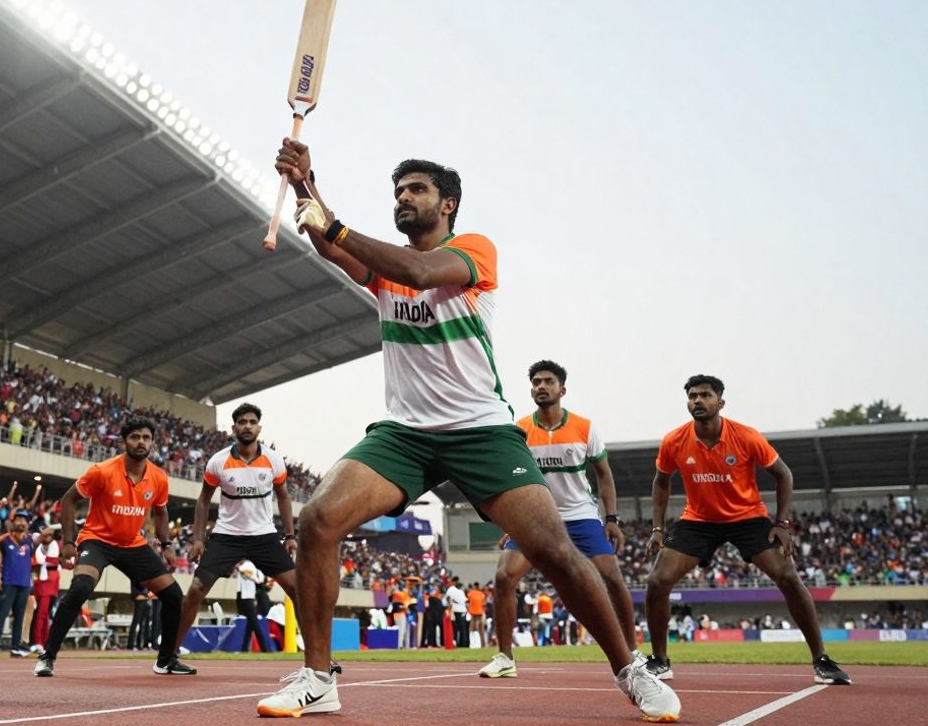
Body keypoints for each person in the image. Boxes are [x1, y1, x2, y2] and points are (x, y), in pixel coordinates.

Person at [255, 140, 678, 722]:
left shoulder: (471, 251)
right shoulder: (383, 269)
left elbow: (417, 269)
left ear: (447, 203)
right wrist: (305, 183)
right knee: (317, 521)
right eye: (398, 192)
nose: (404, 199)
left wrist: (335, 223)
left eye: (416, 190)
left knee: (554, 552)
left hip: (480, 430)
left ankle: (631, 671)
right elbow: (331, 245)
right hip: (403, 433)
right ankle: (319, 678)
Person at [644, 375, 850, 686]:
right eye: (692, 396)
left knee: (788, 577)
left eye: (705, 395)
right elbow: (661, 482)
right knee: (657, 581)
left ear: (720, 402)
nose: (697, 401)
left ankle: (821, 659)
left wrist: (781, 524)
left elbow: (783, 474)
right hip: (698, 520)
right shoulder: (674, 440)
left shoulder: (746, 436)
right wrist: (658, 528)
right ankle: (660, 661)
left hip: (748, 518)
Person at [481, 360, 640, 678]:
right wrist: (509, 521)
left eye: (548, 381)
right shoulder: (519, 429)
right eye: (536, 381)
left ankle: (634, 653)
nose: (541, 386)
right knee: (503, 576)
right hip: (534, 517)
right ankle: (505, 658)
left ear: (562, 389)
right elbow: (507, 478)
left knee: (612, 577)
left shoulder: (585, 427)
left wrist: (611, 518)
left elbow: (604, 474)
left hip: (580, 515)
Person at [32, 418, 194, 677]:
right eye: (134, 437)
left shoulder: (158, 477)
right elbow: (69, 499)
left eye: (145, 437)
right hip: (97, 540)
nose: (140, 442)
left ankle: (166, 660)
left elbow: (161, 513)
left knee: (173, 595)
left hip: (133, 543)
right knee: (81, 588)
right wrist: (68, 542)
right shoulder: (102, 471)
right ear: (124, 441)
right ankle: (47, 656)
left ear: (152, 442)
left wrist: (166, 545)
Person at [174, 403, 299, 654]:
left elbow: (283, 496)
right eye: (242, 422)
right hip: (227, 536)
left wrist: (289, 535)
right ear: (234, 428)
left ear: (259, 428)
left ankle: (318, 659)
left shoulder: (273, 460)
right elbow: (203, 500)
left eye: (252, 422)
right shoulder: (218, 461)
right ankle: (170, 652)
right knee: (196, 589)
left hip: (264, 535)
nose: (247, 426)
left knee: (298, 589)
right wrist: (198, 539)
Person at [0, 513, 35, 658]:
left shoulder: (29, 541)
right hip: (8, 583)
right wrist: (6, 533)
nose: (21, 522)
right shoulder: (6, 540)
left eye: (24, 520)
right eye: (18, 520)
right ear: (13, 523)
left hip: (24, 584)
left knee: (19, 617)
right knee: (1, 615)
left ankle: (15, 648)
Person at [235, 560, 270, 652]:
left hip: (247, 597)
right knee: (253, 623)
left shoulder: (250, 566)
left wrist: (254, 577)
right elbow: (242, 570)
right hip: (246, 597)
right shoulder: (250, 566)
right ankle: (262, 649)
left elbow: (261, 579)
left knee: (252, 624)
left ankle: (250, 648)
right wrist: (255, 578)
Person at [445, 578, 468, 648]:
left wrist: (449, 607)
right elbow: (465, 601)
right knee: (462, 629)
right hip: (462, 611)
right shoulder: (461, 592)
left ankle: (454, 643)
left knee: (454, 629)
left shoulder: (451, 589)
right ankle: (463, 644)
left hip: (455, 610)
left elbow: (448, 598)